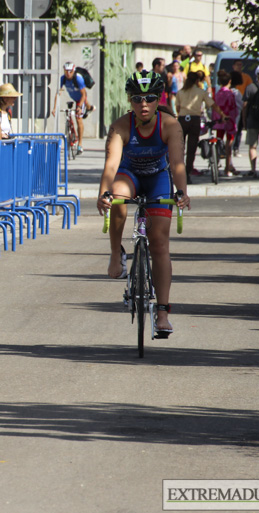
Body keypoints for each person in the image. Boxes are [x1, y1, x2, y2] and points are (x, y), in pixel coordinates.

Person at [96, 70, 190, 337]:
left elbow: (177, 164)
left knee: (159, 243)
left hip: (158, 178)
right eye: (137, 98)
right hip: (130, 175)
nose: (143, 104)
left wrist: (182, 191)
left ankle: (162, 313)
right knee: (117, 196)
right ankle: (117, 251)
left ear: (159, 98)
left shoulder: (170, 124)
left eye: (150, 98)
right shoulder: (121, 126)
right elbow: (111, 165)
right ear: (130, 100)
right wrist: (103, 193)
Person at [176, 70, 223, 183]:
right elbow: (212, 105)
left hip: (182, 120)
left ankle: (179, 173)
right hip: (195, 121)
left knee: (180, 149)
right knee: (191, 149)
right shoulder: (200, 92)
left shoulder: (180, 92)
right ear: (197, 80)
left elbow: (177, 108)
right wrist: (223, 115)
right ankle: (187, 174)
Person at [51, 62, 89, 154]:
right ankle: (71, 133)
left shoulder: (78, 79)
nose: (68, 73)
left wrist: (79, 107)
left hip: (80, 99)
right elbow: (58, 93)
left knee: (78, 118)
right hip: (73, 98)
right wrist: (54, 108)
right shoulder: (63, 79)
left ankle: (80, 144)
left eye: (70, 71)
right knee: (68, 114)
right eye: (66, 71)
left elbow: (84, 94)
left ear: (73, 71)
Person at [212, 70, 239, 177]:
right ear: (229, 81)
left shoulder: (218, 93)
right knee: (229, 145)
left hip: (219, 120)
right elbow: (233, 108)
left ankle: (216, 165)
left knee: (218, 143)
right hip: (229, 120)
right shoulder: (230, 93)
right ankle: (227, 168)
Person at [228, 70, 245, 161]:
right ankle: (229, 164)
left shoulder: (224, 91)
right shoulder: (236, 93)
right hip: (234, 118)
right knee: (231, 140)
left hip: (224, 118)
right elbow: (242, 105)